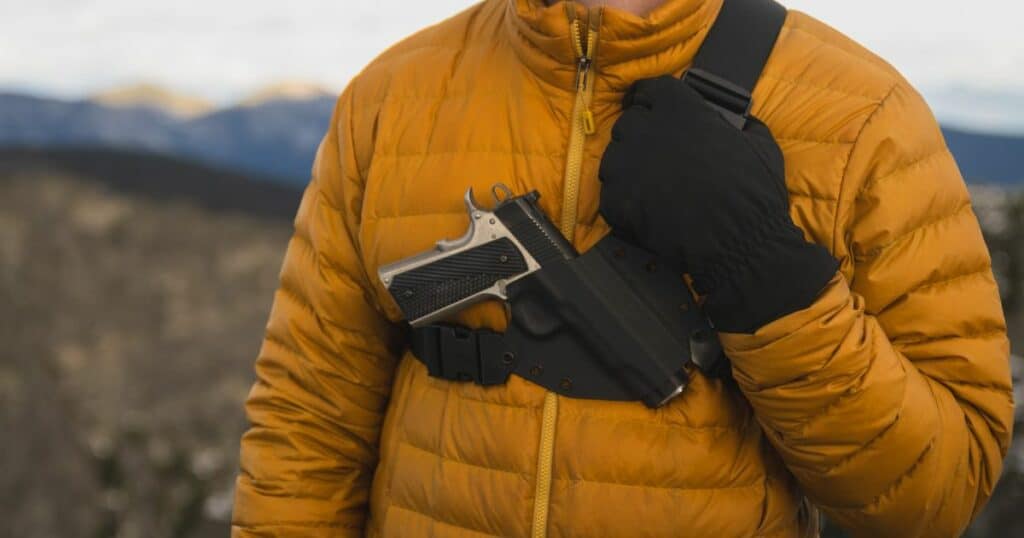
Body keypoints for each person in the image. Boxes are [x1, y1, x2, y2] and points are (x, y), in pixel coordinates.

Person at [231, 0, 1014, 536]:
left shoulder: (863, 114)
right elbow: (307, 420)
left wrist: (761, 270)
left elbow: (936, 493)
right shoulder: (390, 97)